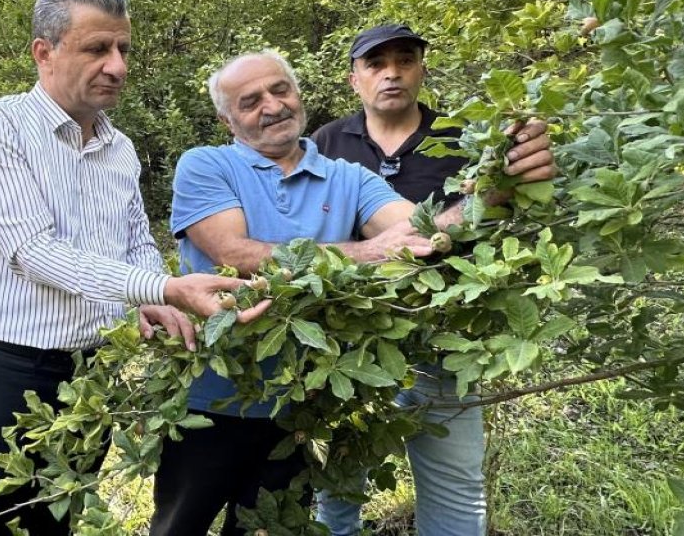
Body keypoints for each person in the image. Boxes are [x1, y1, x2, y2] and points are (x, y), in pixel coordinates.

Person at [149, 50, 553, 536]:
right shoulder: (206, 164)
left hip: (298, 405)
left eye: (280, 90)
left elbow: (423, 231)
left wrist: (495, 185)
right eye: (250, 100)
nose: (272, 106)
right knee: (180, 525)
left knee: (272, 528)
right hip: (210, 398)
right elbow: (233, 252)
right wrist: (366, 252)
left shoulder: (349, 177)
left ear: (298, 94)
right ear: (226, 118)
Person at [0, 0, 267, 536]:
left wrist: (154, 301)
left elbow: (135, 239)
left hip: (89, 374)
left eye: (123, 49)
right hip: (2, 371)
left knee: (57, 523)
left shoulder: (121, 147)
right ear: (44, 52)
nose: (116, 65)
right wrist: (164, 290)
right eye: (97, 49)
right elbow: (35, 253)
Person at [312, 24, 503, 536]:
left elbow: (496, 223)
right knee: (338, 477)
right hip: (347, 341)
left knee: (455, 482)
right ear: (355, 79)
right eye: (375, 64)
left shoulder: (461, 142)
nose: (391, 72)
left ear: (422, 69)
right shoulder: (325, 143)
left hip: (444, 336)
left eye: (404, 59)